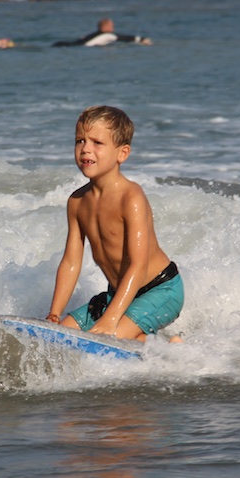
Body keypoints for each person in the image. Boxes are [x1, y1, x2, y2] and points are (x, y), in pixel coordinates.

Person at [46, 106, 183, 342]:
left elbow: (138, 265)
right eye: (80, 141)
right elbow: (71, 261)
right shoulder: (77, 202)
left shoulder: (131, 198)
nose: (85, 148)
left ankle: (165, 347)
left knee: (107, 338)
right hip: (119, 294)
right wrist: (54, 314)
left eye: (97, 142)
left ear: (122, 153)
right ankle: (152, 341)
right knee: (58, 336)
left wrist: (110, 318)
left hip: (161, 290)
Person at [53, 18, 152, 47]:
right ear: (106, 27)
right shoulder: (107, 35)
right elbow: (124, 38)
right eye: (111, 25)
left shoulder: (92, 34)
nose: (113, 27)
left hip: (65, 44)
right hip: (78, 48)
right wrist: (142, 39)